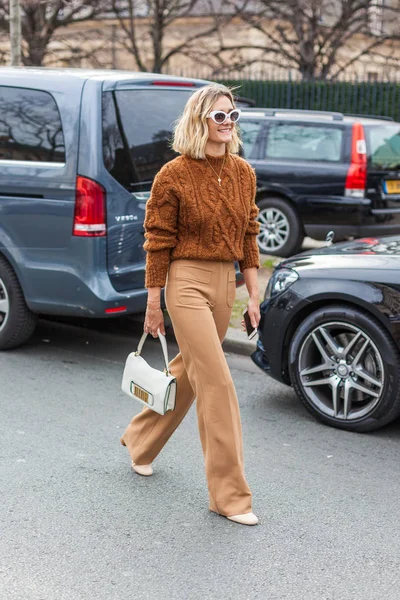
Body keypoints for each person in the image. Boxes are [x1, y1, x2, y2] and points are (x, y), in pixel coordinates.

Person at [120, 83, 261, 526]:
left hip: (225, 284)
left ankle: (140, 439)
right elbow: (157, 242)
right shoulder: (173, 175)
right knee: (218, 383)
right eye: (219, 116)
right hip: (185, 281)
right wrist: (153, 302)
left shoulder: (244, 173)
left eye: (232, 115)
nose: (227, 123)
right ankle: (229, 495)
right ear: (200, 119)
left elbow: (250, 236)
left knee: (192, 370)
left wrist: (253, 294)